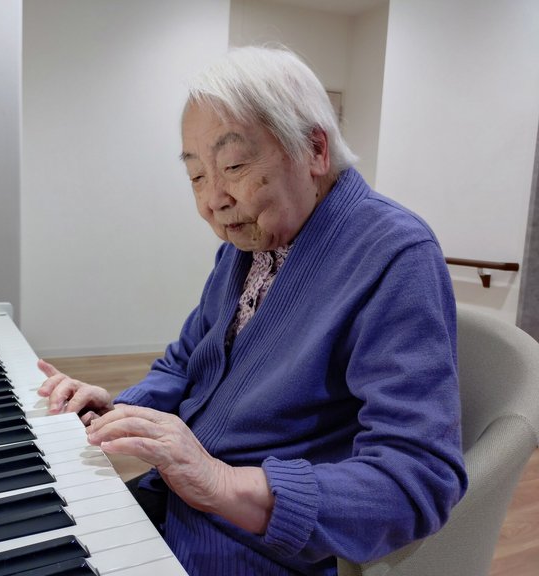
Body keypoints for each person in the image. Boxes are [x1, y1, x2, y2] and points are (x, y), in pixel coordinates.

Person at [37, 45, 467, 576]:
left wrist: (221, 482)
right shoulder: (245, 249)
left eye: (234, 166)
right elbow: (185, 363)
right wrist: (120, 411)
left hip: (252, 548)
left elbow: (418, 478)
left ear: (314, 150)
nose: (212, 200)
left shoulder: (393, 254)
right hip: (174, 504)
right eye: (196, 176)